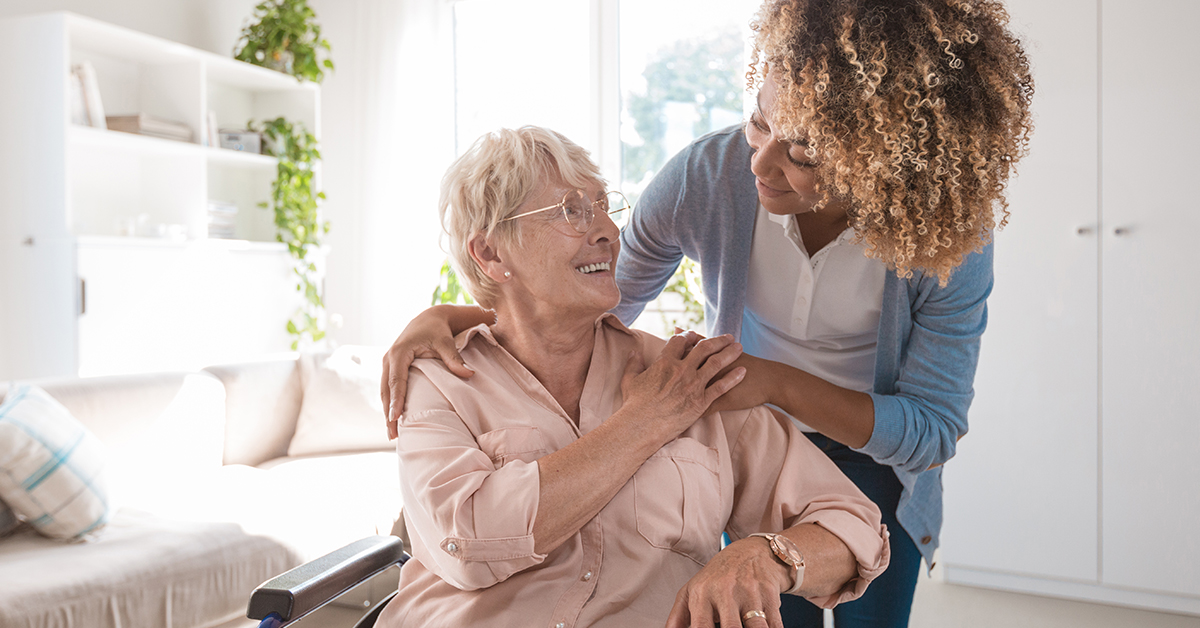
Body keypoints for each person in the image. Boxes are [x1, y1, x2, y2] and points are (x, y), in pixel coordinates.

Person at [380, 1, 1033, 626]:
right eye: (758, 121)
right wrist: (456, 314)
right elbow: (591, 301)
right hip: (742, 408)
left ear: (882, 160)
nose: (760, 162)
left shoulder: (947, 233)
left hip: (859, 446)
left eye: (802, 151)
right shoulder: (709, 177)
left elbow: (932, 426)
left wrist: (773, 386)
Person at [375, 126, 889, 628]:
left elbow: (856, 526)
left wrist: (767, 556)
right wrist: (644, 421)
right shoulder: (440, 378)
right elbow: (468, 542)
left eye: (603, 206)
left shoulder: (688, 377)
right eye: (571, 211)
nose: (608, 231)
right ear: (490, 254)